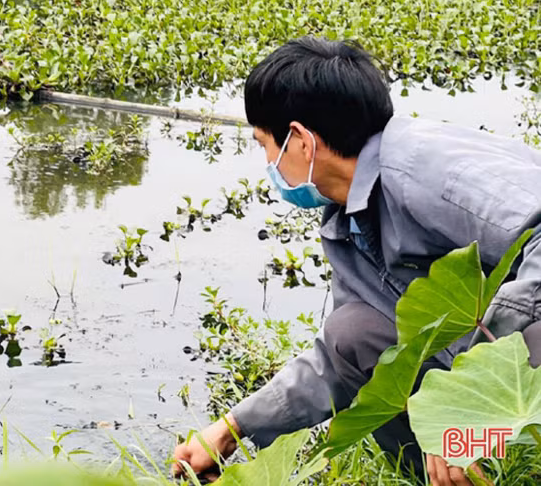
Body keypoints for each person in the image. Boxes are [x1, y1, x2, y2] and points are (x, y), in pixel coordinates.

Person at [172, 37, 541, 486]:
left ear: (302, 141)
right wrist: (231, 427)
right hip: (494, 372)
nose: (267, 162)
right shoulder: (346, 219)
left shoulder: (423, 169)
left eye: (265, 145)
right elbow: (337, 359)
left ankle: (495, 459)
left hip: (519, 360)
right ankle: (441, 478)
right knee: (354, 333)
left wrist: (471, 402)